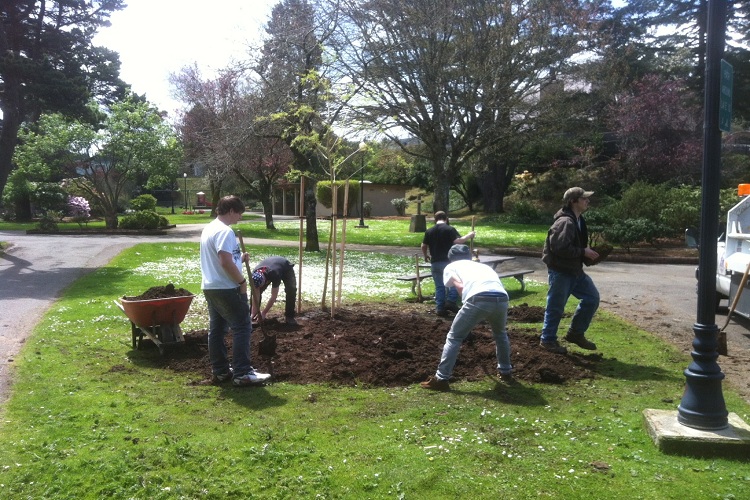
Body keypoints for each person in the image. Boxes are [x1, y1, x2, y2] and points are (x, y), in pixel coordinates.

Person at [199, 195, 271, 386]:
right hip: (228, 287)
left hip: (211, 287)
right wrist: (241, 281)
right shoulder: (225, 231)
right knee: (242, 326)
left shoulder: (210, 228)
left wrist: (240, 259)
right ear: (230, 211)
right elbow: (224, 261)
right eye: (239, 213)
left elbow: (223, 259)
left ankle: (221, 371)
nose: (240, 217)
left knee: (217, 329)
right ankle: (242, 373)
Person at [421, 244, 513, 391]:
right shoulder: (482, 266)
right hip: (502, 299)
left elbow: (461, 287)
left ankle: (441, 378)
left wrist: (468, 316)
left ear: (450, 258)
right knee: (500, 334)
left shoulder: (451, 267)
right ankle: (506, 371)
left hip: (478, 298)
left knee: (454, 337)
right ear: (469, 257)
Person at [539, 187, 601, 354]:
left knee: (592, 298)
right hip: (561, 271)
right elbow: (559, 248)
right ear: (573, 201)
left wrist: (587, 253)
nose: (588, 201)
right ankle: (547, 340)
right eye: (584, 198)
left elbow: (573, 245)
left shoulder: (578, 220)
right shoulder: (565, 222)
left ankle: (575, 333)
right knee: (556, 307)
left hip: (574, 270)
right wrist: (583, 252)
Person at [421, 211, 475, 316]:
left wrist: (425, 255)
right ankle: (450, 301)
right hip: (449, 263)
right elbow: (458, 241)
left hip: (435, 262)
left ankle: (440, 308)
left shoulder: (429, 231)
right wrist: (469, 235)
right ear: (446, 219)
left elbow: (423, 245)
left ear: (435, 219)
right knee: (454, 284)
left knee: (439, 286)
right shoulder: (449, 229)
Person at [251, 256, 298, 325]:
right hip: (271, 265)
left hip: (285, 267)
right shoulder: (253, 275)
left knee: (291, 290)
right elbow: (255, 295)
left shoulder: (274, 274)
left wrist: (264, 313)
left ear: (266, 282)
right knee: (254, 293)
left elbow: (273, 296)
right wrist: (252, 313)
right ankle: (253, 316)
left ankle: (289, 316)